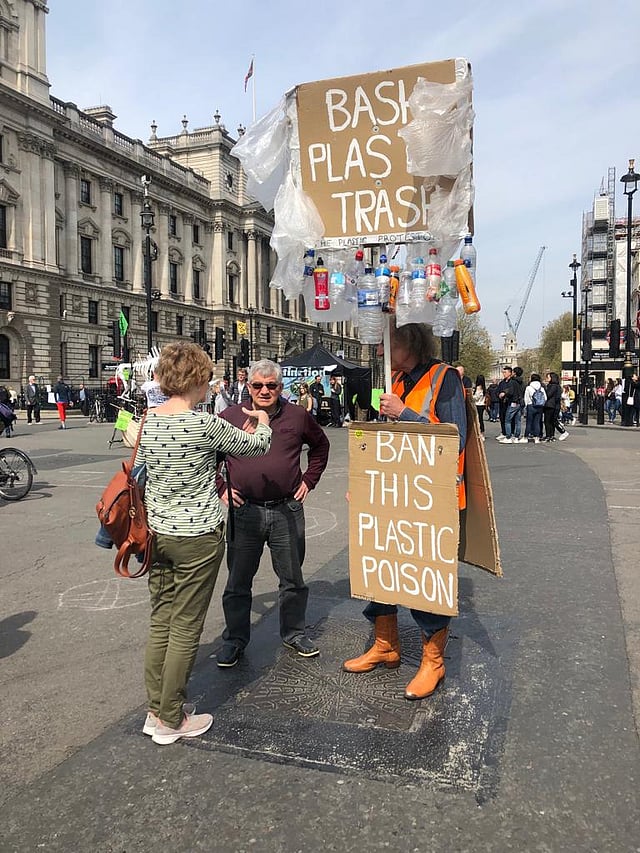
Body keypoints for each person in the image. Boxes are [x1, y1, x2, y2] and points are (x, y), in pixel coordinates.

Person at [133, 341, 272, 745]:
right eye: (207, 378)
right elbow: (257, 447)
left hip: (157, 534)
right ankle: (171, 720)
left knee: (161, 620)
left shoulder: (149, 421)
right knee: (185, 627)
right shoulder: (203, 424)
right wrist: (262, 419)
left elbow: (144, 465)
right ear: (197, 380)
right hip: (197, 536)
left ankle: (156, 708)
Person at [343, 319, 467, 700]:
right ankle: (386, 645)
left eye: (388, 344)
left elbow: (454, 436)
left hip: (432, 496)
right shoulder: (394, 381)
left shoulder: (444, 378)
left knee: (425, 575)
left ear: (409, 344)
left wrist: (405, 413)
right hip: (392, 493)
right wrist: (363, 485)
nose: (381, 351)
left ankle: (433, 661)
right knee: (382, 565)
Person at [215, 359, 330, 667]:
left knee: (292, 578)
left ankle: (294, 633)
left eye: (271, 385)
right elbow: (207, 455)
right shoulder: (229, 416)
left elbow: (320, 447)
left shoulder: (298, 416)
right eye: (258, 385)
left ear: (281, 387)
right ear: (248, 386)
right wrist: (221, 488)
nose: (264, 391)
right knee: (238, 582)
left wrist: (309, 480)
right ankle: (235, 640)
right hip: (245, 511)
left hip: (286, 509)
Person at [497, 366, 524, 443]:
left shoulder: (512, 382)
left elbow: (511, 391)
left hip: (513, 402)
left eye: (505, 372)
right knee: (517, 421)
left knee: (507, 420)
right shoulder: (520, 382)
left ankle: (508, 437)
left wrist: (504, 393)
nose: (504, 374)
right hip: (519, 402)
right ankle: (516, 437)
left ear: (510, 373)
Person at [523, 373, 546, 442]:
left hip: (531, 406)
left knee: (529, 422)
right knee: (537, 422)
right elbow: (545, 398)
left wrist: (526, 406)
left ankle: (526, 437)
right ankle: (537, 437)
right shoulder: (541, 388)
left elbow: (526, 398)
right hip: (539, 407)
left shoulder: (529, 387)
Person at [543, 371, 563, 441]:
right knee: (551, 421)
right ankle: (551, 435)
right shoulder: (557, 386)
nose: (547, 378)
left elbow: (548, 395)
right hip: (554, 405)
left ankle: (549, 435)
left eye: (548, 377)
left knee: (547, 421)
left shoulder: (552, 386)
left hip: (549, 405)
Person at [473, 374, 487, 439]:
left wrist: (471, 396)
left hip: (478, 404)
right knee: (480, 419)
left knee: (478, 419)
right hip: (482, 404)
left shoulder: (478, 388)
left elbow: (476, 397)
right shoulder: (484, 388)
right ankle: (482, 432)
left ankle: (480, 432)